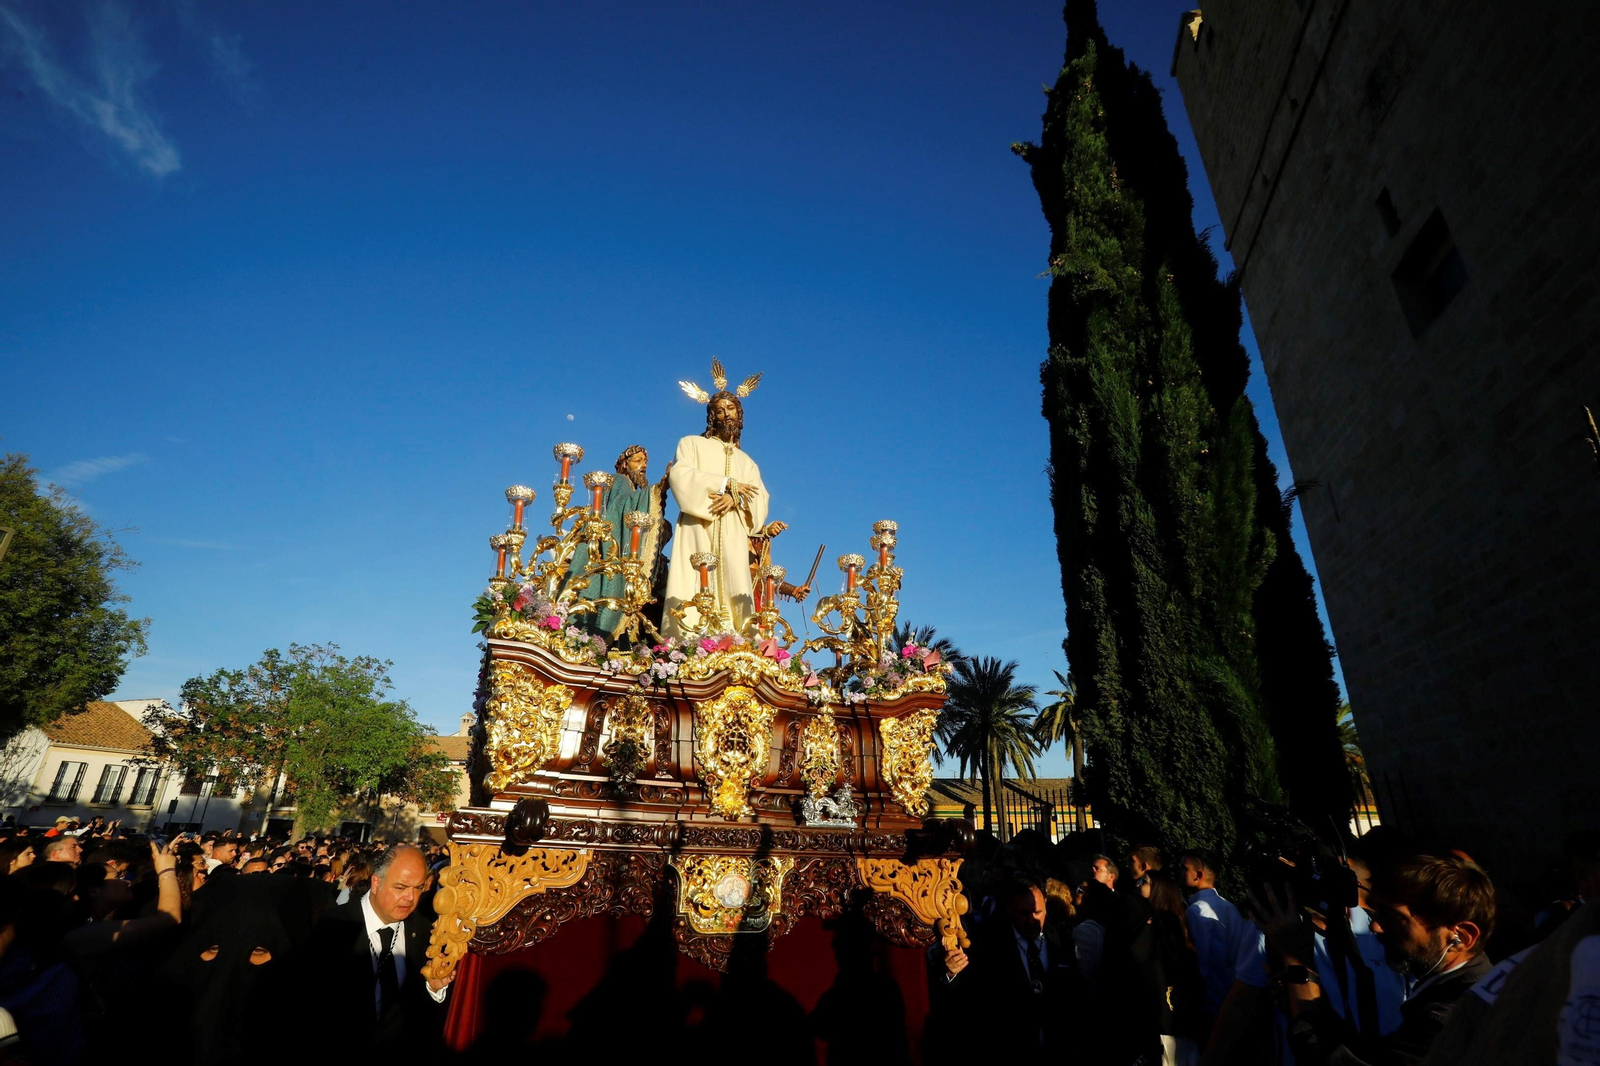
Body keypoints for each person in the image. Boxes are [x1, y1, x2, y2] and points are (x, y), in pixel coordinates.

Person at [1253, 852, 1495, 1065]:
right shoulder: (1461, 990)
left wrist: (1299, 967)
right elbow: (1370, 1055)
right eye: (1378, 913)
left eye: (1396, 918)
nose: (1376, 927)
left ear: (1460, 936)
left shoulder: (1448, 1020)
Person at [302, 844, 454, 1051]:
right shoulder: (330, 927)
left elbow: (420, 1012)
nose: (410, 897)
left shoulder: (425, 930)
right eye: (400, 887)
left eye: (418, 888)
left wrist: (433, 988)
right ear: (376, 882)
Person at [663, 360, 769, 636]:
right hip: (699, 524)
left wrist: (736, 500)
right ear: (712, 417)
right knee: (693, 582)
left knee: (736, 581)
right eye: (719, 410)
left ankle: (740, 636)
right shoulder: (692, 444)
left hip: (733, 531)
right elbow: (680, 475)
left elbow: (759, 502)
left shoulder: (748, 462)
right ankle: (688, 640)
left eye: (731, 408)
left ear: (739, 413)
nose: (726, 415)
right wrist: (724, 484)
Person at [934, 876, 1072, 1057]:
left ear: (1045, 904)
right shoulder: (988, 945)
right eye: (1024, 913)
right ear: (1010, 908)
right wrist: (950, 972)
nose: (1032, 920)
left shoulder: (1061, 941)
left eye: (1037, 912)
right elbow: (967, 995)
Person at [1181, 849, 1250, 1023]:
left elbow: (1201, 965)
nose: (1179, 872)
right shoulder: (1230, 908)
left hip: (1211, 1005)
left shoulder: (1196, 912)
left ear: (1198, 874)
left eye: (1184, 868)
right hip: (1236, 999)